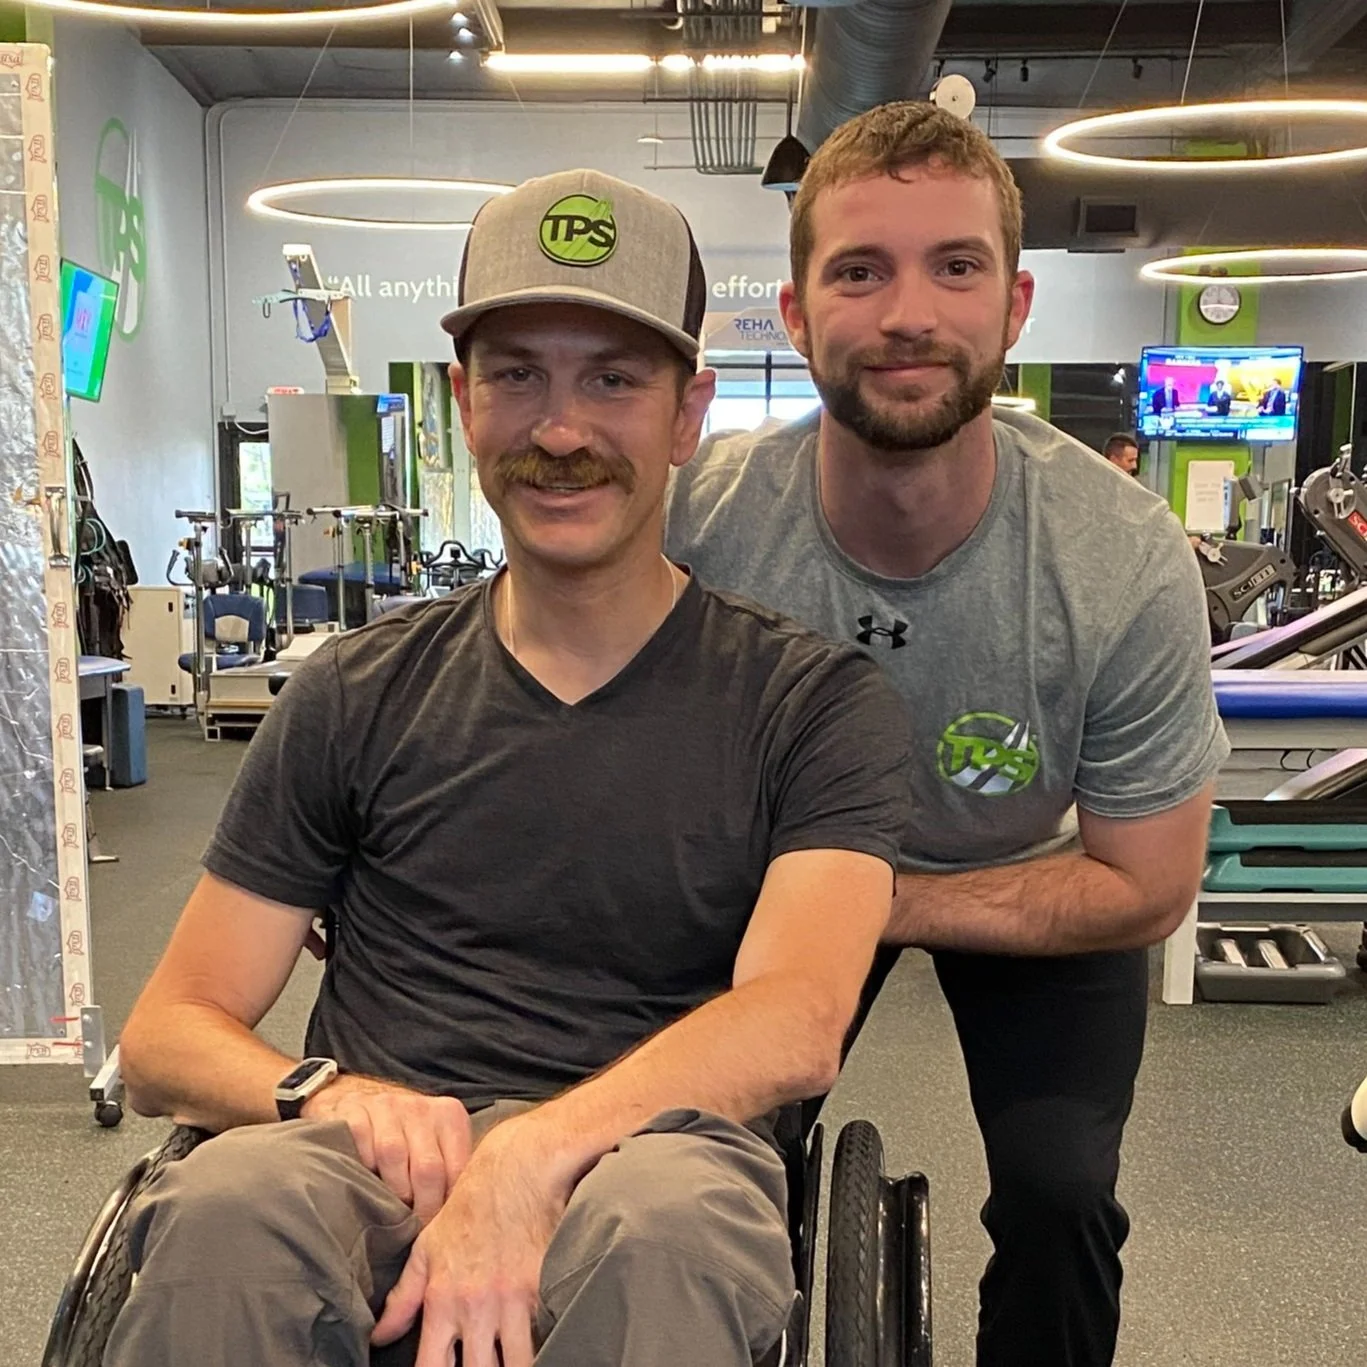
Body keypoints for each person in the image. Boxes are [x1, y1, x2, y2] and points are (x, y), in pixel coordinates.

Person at [107, 170, 914, 1367]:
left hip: (656, 1157)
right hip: (372, 1155)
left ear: (687, 413)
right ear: (462, 400)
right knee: (226, 1213)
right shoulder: (354, 692)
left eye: (613, 379)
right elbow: (169, 1029)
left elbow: (795, 1022)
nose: (560, 430)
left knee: (669, 1237)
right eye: (516, 374)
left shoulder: (809, 704)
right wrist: (323, 1096)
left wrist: (534, 1153)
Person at [667, 102, 1228, 1367]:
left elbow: (1146, 884)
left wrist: (877, 904)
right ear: (799, 314)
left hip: (1027, 871)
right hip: (774, 872)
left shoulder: (1119, 555)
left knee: (1061, 1191)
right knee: (698, 1151)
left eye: (954, 266)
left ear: (1015, 305)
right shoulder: (698, 523)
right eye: (859, 270)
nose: (907, 312)